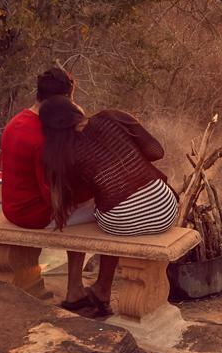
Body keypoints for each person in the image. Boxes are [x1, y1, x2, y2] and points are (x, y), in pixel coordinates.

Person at [39, 95, 178, 314]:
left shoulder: (66, 153)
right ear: (75, 109)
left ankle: (100, 289)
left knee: (104, 215)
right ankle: (102, 289)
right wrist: (128, 159)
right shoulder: (113, 117)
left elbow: (76, 197)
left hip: (121, 221)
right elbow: (156, 152)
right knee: (113, 213)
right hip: (165, 208)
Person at [0, 67, 97, 310]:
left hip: (11, 206)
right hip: (34, 214)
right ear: (64, 99)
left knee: (86, 206)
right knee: (107, 210)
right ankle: (78, 288)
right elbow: (55, 196)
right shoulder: (44, 135)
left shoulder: (17, 121)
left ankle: (77, 287)